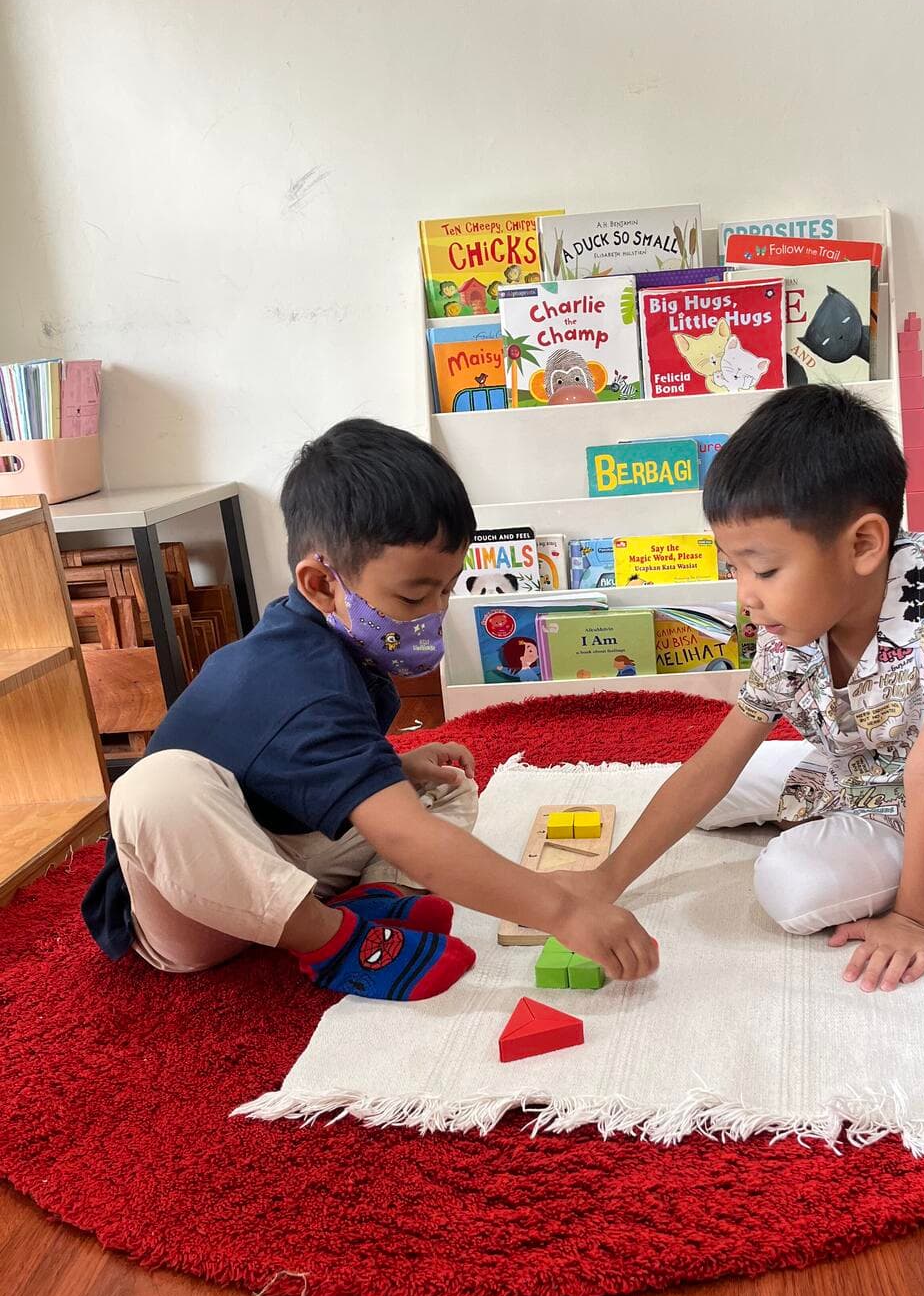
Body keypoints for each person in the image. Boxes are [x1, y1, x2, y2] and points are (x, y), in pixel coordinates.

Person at [82, 420, 658, 1000]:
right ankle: (333, 940)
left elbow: (298, 767)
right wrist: (561, 912)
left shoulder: (345, 648)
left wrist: (395, 769)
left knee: (446, 783)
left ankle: (378, 899)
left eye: (447, 589)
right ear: (321, 584)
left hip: (289, 859)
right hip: (195, 904)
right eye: (413, 595)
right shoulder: (295, 681)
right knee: (154, 787)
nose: (433, 612)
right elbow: (407, 837)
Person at [552, 386, 924, 994]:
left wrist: (916, 920)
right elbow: (718, 759)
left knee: (790, 887)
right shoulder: (794, 615)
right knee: (706, 799)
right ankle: (829, 811)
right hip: (854, 761)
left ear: (863, 544)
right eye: (732, 567)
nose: (745, 595)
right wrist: (606, 880)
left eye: (763, 569)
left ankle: (870, 853)